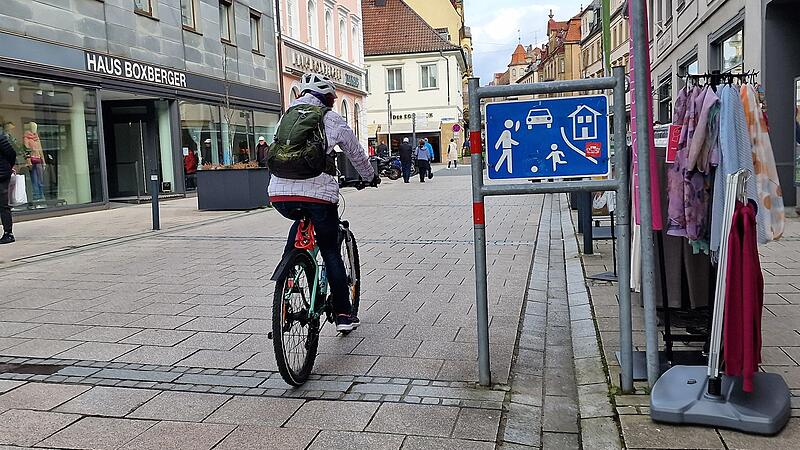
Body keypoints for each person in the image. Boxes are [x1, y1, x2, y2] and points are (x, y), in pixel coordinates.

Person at [268, 73, 379, 332]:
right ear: (327, 97)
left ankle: (289, 277)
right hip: (318, 196)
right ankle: (343, 314)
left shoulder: (286, 117)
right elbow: (355, 152)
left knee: (299, 222)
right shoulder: (331, 119)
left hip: (280, 196)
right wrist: (370, 176)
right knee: (330, 248)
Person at [0, 133, 16, 244]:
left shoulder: (0, 138)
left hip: (1, 174)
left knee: (3, 204)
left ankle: (8, 233)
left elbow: (11, 153)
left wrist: (7, 167)